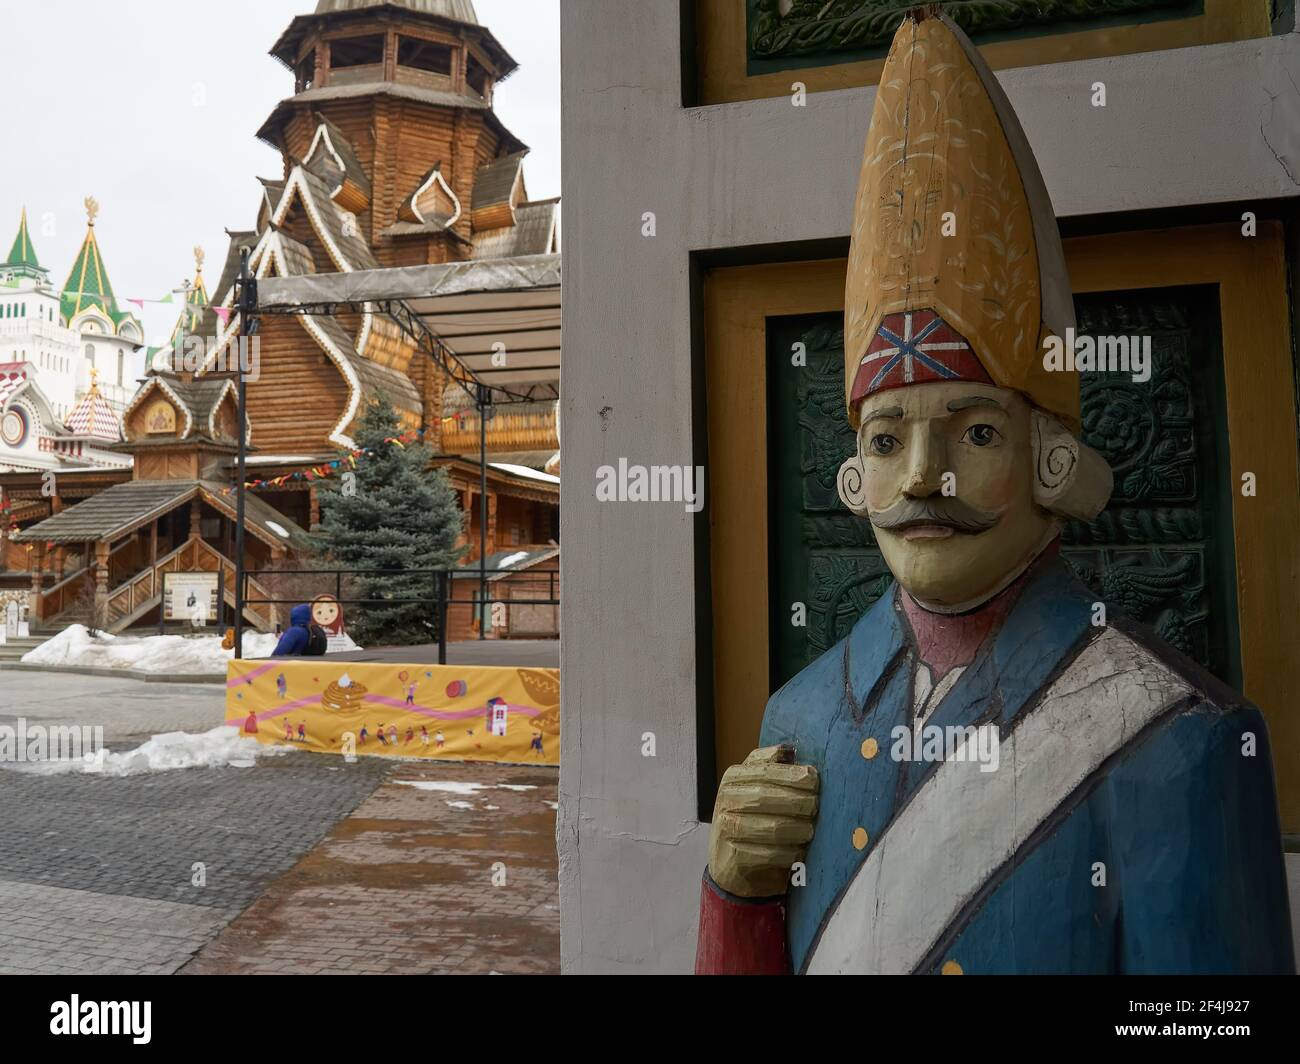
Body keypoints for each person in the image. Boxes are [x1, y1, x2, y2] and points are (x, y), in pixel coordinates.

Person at [696, 10, 1293, 976]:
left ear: (1051, 459)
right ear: (855, 476)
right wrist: (734, 896)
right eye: (886, 440)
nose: (921, 479)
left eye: (974, 433)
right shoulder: (797, 723)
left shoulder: (1180, 740)